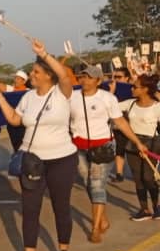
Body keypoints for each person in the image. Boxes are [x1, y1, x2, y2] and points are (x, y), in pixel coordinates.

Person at [0, 39, 77, 251]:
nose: (32, 74)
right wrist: (0, 100)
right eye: (33, 70)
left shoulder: (63, 93)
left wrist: (44, 54)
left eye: (36, 71)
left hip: (62, 159)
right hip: (32, 161)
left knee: (61, 206)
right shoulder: (27, 97)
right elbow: (16, 120)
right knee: (30, 208)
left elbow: (64, 75)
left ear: (48, 75)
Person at [69, 64, 146, 241]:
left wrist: (137, 142)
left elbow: (120, 121)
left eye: (89, 77)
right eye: (83, 76)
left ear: (98, 80)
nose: (85, 80)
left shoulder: (107, 98)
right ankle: (102, 217)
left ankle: (95, 228)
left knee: (97, 184)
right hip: (79, 147)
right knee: (89, 183)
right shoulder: (71, 97)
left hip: (102, 147)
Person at [120, 74, 160, 221]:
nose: (132, 89)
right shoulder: (129, 104)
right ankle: (144, 209)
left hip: (151, 144)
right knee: (138, 178)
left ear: (145, 89)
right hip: (133, 143)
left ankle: (157, 206)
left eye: (135, 87)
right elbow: (111, 109)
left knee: (148, 177)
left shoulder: (157, 107)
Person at [110, 67, 133, 182]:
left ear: (127, 78)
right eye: (113, 77)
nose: (115, 80)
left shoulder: (134, 90)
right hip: (118, 124)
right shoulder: (110, 90)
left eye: (118, 77)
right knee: (120, 148)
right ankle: (119, 173)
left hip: (135, 125)